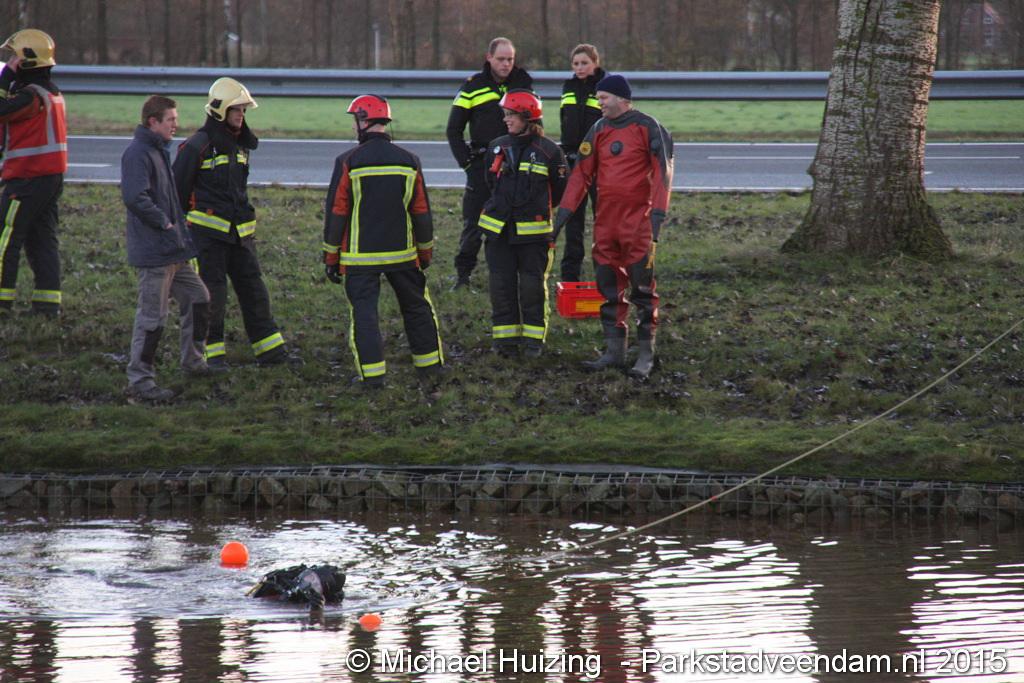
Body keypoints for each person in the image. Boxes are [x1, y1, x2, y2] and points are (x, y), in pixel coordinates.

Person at [553, 74, 674, 379]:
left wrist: (658, 216)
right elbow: (580, 175)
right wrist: (562, 217)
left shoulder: (647, 127)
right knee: (608, 286)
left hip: (638, 224)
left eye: (604, 98)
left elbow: (663, 172)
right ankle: (614, 351)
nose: (599, 103)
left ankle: (645, 354)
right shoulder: (598, 129)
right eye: (598, 98)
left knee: (643, 288)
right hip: (606, 222)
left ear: (622, 98)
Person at [323, 95, 443, 389]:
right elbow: (421, 212)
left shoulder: (348, 162)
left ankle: (372, 377)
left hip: (359, 257)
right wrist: (425, 252)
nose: (354, 127)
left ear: (363, 121)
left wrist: (331, 257)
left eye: (355, 121)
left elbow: (337, 212)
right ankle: (430, 367)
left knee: (364, 314)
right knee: (417, 308)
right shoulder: (409, 161)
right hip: (403, 255)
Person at [173, 77, 292, 368]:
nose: (241, 115)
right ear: (220, 110)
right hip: (208, 238)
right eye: (236, 109)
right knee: (212, 297)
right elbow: (176, 194)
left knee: (255, 292)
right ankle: (211, 357)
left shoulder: (239, 146)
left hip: (240, 237)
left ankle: (271, 353)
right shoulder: (196, 147)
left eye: (243, 110)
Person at [121, 95, 214, 402]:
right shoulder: (138, 154)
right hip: (155, 252)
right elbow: (135, 197)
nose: (176, 124)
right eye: (171, 119)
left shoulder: (158, 150)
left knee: (199, 298)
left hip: (174, 250)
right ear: (153, 122)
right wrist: (165, 223)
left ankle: (193, 362)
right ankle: (140, 381)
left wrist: (178, 233)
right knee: (152, 318)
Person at [478, 90, 567, 357]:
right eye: (505, 114)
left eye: (511, 115)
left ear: (528, 117)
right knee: (501, 286)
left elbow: (560, 191)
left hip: (534, 236)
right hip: (499, 232)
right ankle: (505, 341)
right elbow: (490, 184)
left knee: (532, 288)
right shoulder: (497, 147)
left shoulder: (550, 152)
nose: (506, 119)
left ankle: (533, 342)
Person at [446, 37, 532, 290]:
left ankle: (510, 275)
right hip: (482, 166)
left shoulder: (523, 83)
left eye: (510, 59)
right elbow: (453, 129)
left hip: (516, 165)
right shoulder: (473, 86)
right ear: (489, 58)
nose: (506, 64)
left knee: (514, 222)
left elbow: (535, 124)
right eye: (501, 59)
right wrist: (467, 165)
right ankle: (463, 276)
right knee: (474, 223)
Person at [0, 29, 67, 317]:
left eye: (14, 58)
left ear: (26, 62)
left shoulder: (30, 96)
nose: (10, 62)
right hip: (48, 180)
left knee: (5, 239)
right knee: (42, 241)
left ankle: (2, 303)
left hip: (27, 180)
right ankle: (47, 305)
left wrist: (5, 79)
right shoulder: (50, 92)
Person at [558, 43, 605, 283]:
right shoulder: (568, 87)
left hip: (599, 163)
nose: (579, 68)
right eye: (575, 64)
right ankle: (570, 275)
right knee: (573, 220)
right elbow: (564, 120)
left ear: (595, 63)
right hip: (573, 162)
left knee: (603, 219)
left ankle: (604, 271)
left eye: (584, 63)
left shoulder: (605, 86)